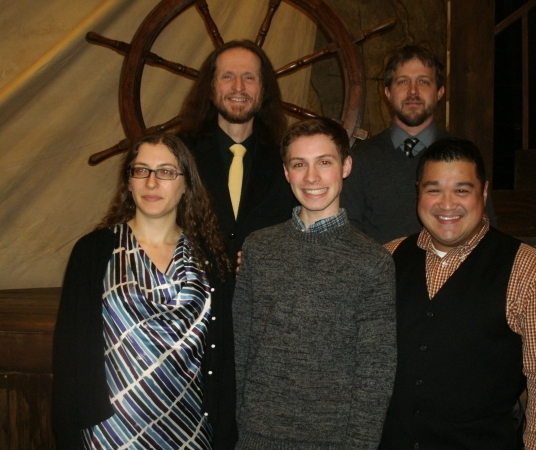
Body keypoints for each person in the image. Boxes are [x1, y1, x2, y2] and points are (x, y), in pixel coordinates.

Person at [380, 137, 536, 450]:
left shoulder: (534, 272)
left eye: (462, 189)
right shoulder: (387, 258)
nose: (447, 204)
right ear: (418, 192)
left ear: (483, 192)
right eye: (434, 189)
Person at [52, 134, 237, 449]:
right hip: (111, 430)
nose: (152, 182)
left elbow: (223, 359)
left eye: (166, 172)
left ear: (186, 185)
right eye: (141, 171)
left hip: (190, 427)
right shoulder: (94, 251)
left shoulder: (209, 257)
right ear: (128, 183)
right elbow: (69, 354)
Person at [232, 118, 396, 449]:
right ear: (286, 172)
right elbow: (240, 346)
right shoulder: (258, 248)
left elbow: (375, 372)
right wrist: (239, 424)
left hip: (333, 440)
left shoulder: (372, 262)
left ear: (346, 166)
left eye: (324, 162)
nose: (311, 177)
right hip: (256, 434)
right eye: (299, 164)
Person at [341, 44, 495, 244]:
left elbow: (485, 227)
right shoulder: (359, 159)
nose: (413, 92)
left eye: (423, 82)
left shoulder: (465, 157)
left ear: (440, 92)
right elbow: (349, 234)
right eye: (403, 82)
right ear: (387, 92)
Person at [178, 39, 296, 260]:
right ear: (211, 88)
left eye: (249, 77)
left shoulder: (286, 161)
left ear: (264, 89)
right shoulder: (178, 155)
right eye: (227, 76)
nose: (239, 87)